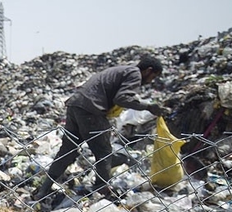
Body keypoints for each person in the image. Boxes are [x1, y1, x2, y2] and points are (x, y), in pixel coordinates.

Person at [33, 54, 166, 202]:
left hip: (76, 105)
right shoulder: (134, 74)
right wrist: (148, 107)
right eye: (153, 76)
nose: (151, 81)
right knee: (104, 152)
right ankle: (101, 193)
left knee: (67, 151)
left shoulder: (123, 70)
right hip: (92, 109)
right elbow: (122, 98)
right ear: (148, 70)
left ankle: (43, 191)